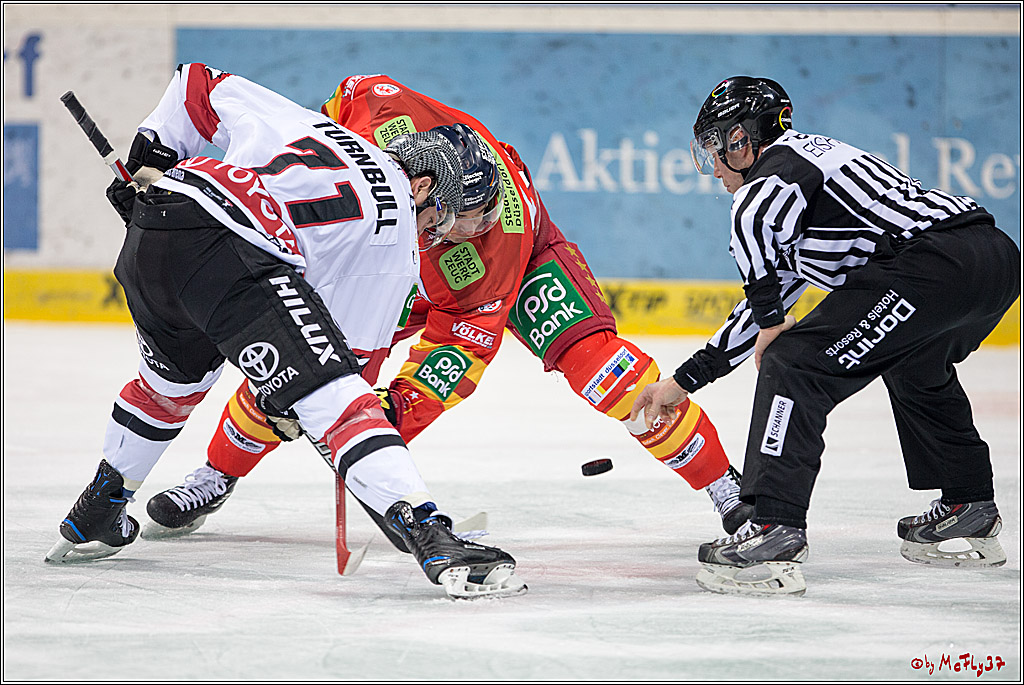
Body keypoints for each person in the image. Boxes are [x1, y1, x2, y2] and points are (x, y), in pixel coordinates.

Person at [141, 74, 755, 547]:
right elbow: (326, 114)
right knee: (299, 349)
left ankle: (729, 491)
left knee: (601, 368)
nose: (473, 229)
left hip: (525, 264)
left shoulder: (491, 244)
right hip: (390, 239)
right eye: (465, 219)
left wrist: (390, 419)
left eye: (481, 218)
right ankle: (216, 474)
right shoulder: (378, 114)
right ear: (426, 189)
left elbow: (455, 350)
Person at [44, 63, 527, 600]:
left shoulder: (321, 130)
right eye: (456, 213)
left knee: (170, 386)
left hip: (154, 231)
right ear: (422, 185)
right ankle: (432, 537)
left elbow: (196, 85)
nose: (448, 231)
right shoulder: (397, 240)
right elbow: (352, 379)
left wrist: (151, 154)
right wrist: (302, 403)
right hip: (232, 255)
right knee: (337, 399)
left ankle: (99, 508)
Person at [631, 76, 1020, 596]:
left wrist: (774, 328)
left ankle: (774, 527)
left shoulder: (776, 173)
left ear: (741, 139)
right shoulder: (809, 177)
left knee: (793, 365)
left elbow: (751, 224)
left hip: (932, 265)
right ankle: (969, 504)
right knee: (915, 366)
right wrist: (680, 384)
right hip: (991, 258)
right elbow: (759, 303)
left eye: (716, 150)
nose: (716, 169)